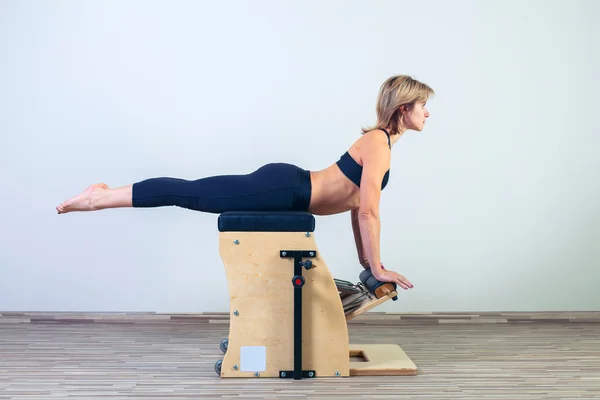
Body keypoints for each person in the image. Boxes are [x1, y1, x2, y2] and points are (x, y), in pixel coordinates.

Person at [56, 75, 434, 291]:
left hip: (290, 189)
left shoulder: (382, 143)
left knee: (191, 191)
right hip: (286, 189)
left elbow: (355, 206)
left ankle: (104, 193)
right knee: (189, 192)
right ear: (404, 109)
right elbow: (368, 211)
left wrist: (368, 262)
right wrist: (379, 268)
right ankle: (99, 197)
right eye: (422, 106)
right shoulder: (378, 143)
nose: (427, 113)